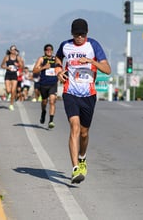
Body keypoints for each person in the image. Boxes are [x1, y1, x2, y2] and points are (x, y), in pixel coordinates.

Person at [55, 18, 111, 184]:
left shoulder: (93, 45)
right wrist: (59, 70)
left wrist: (91, 61)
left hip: (88, 95)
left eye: (83, 34)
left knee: (84, 133)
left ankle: (82, 158)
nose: (80, 37)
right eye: (77, 34)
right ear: (72, 34)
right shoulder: (65, 45)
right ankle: (75, 169)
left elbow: (107, 70)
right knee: (75, 127)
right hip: (70, 92)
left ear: (87, 34)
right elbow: (57, 59)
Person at [33, 44, 59, 129]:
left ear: (52, 51)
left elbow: (60, 68)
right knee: (44, 101)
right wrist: (43, 67)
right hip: (44, 84)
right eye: (47, 50)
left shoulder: (55, 59)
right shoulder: (41, 59)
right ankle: (43, 112)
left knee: (52, 101)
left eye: (50, 50)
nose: (49, 51)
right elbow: (34, 70)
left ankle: (51, 120)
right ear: (44, 51)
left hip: (53, 83)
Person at [1, 45, 24, 111]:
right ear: (10, 50)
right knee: (8, 90)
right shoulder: (7, 57)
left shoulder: (18, 58)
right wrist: (7, 67)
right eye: (13, 49)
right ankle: (9, 94)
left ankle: (11, 104)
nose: (14, 51)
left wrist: (18, 65)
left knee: (13, 90)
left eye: (15, 49)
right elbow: (2, 65)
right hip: (8, 74)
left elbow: (22, 66)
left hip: (14, 75)